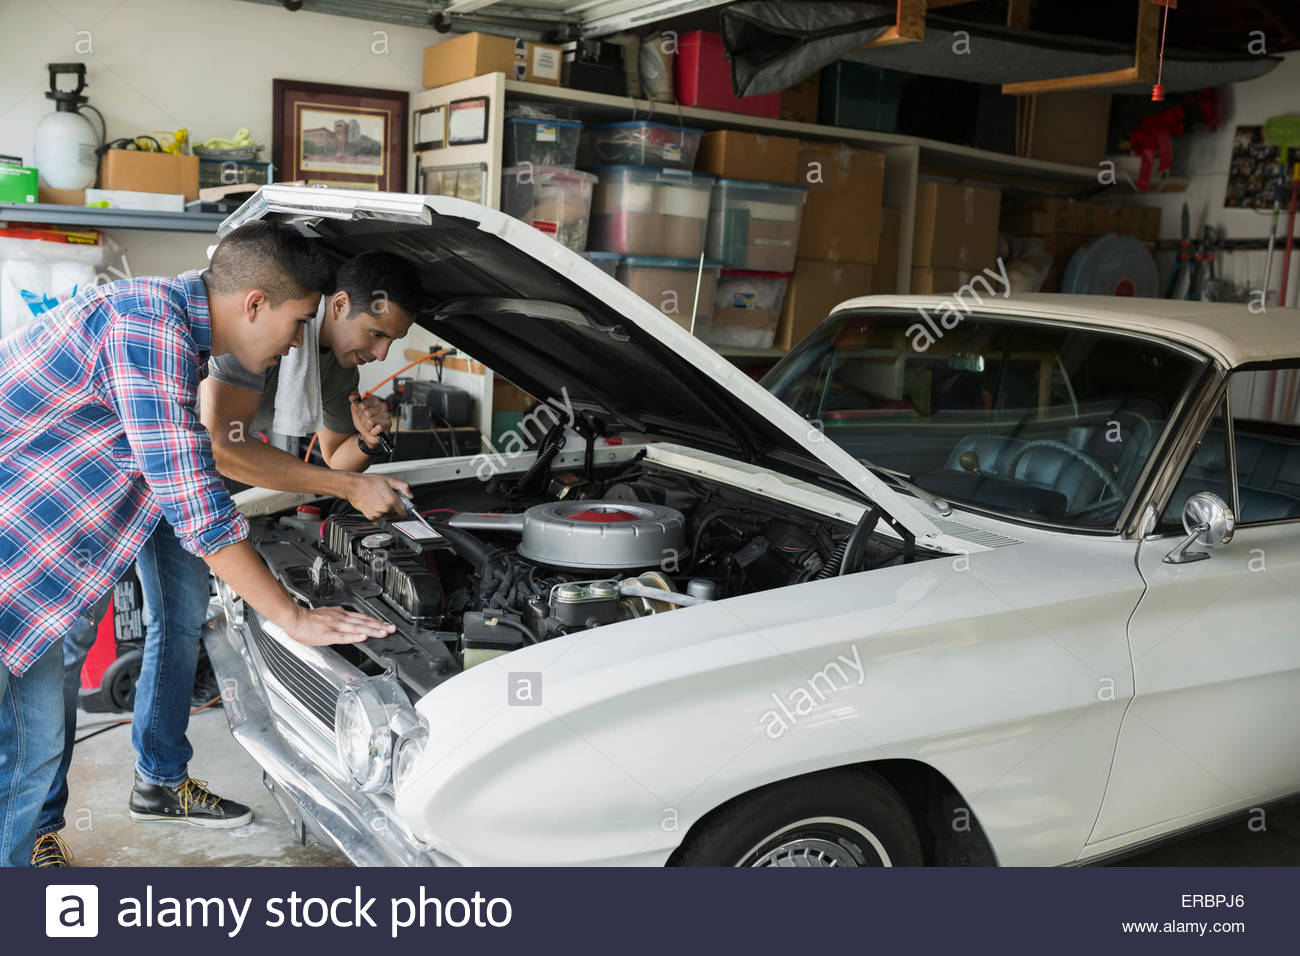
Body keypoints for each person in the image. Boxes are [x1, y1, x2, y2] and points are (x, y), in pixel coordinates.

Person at [0, 221, 398, 868]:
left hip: (32, 585)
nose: (299, 340)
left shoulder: (174, 333)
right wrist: (292, 617)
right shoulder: (145, 326)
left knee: (31, 755)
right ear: (254, 305)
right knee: (20, 759)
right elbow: (197, 506)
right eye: (298, 322)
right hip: (13, 568)